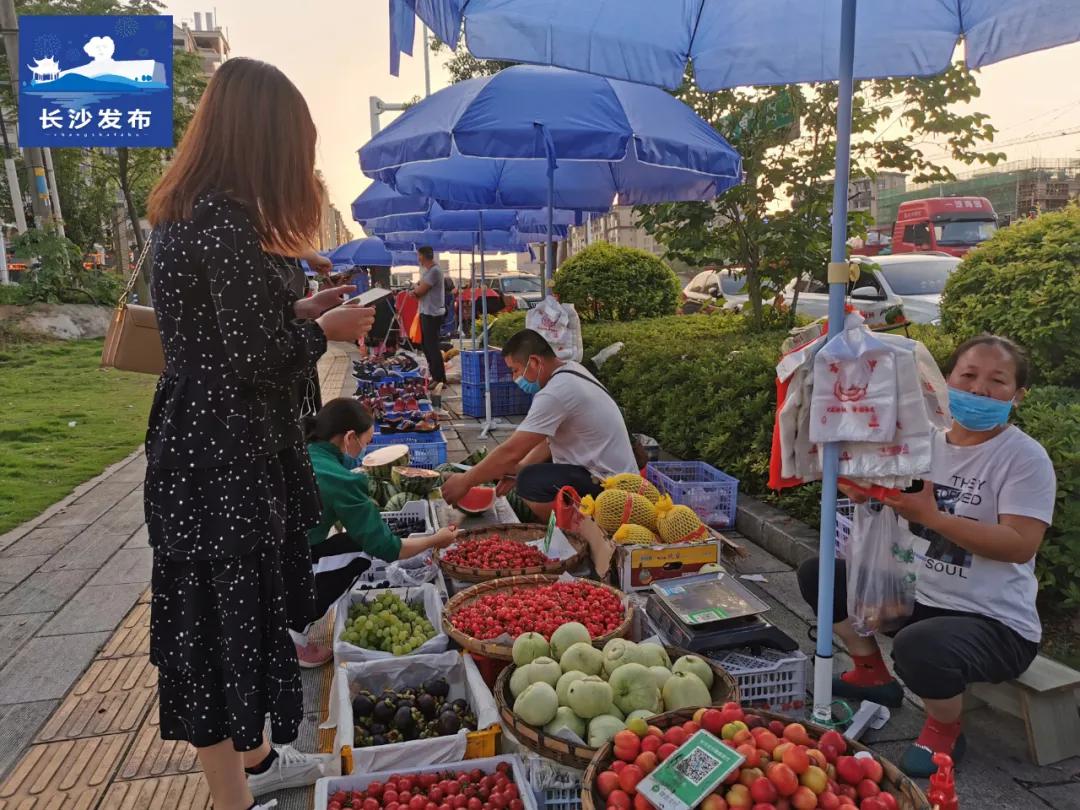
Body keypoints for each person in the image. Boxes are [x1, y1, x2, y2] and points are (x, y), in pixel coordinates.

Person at [144, 58, 375, 810]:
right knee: (219, 633)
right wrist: (325, 332)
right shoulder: (224, 221)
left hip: (206, 448)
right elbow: (256, 357)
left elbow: (228, 332)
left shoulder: (189, 214)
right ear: (265, 139)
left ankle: (257, 762)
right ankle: (233, 797)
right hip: (225, 461)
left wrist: (306, 310)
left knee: (223, 622)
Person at [797, 335, 1056, 778]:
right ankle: (871, 674)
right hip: (917, 597)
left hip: (993, 621)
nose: (979, 389)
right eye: (968, 375)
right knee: (819, 575)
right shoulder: (922, 443)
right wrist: (865, 491)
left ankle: (944, 728)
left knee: (920, 646)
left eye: (997, 381)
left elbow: (1019, 544)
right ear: (945, 380)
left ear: (1018, 395)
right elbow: (891, 498)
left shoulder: (1024, 458)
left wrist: (933, 517)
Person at [297, 397, 461, 665]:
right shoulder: (340, 481)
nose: (366, 450)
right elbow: (388, 548)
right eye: (366, 441)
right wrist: (436, 539)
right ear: (349, 437)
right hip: (288, 566)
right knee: (358, 548)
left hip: (261, 555)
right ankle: (295, 634)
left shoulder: (305, 450)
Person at [441, 329, 639, 520]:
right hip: (616, 477)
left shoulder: (555, 393)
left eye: (515, 370)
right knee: (526, 470)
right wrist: (518, 469)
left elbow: (511, 451)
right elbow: (546, 439)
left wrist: (465, 481)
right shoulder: (571, 370)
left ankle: (575, 530)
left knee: (530, 481)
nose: (514, 378)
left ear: (535, 362)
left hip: (611, 490)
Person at [409, 246, 447, 385]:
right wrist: (416, 289)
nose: (418, 258)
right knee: (426, 345)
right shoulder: (428, 271)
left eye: (418, 255)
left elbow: (420, 291)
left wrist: (414, 290)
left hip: (432, 313)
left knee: (432, 346)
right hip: (426, 312)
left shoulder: (434, 271)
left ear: (422, 256)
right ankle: (434, 375)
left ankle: (439, 378)